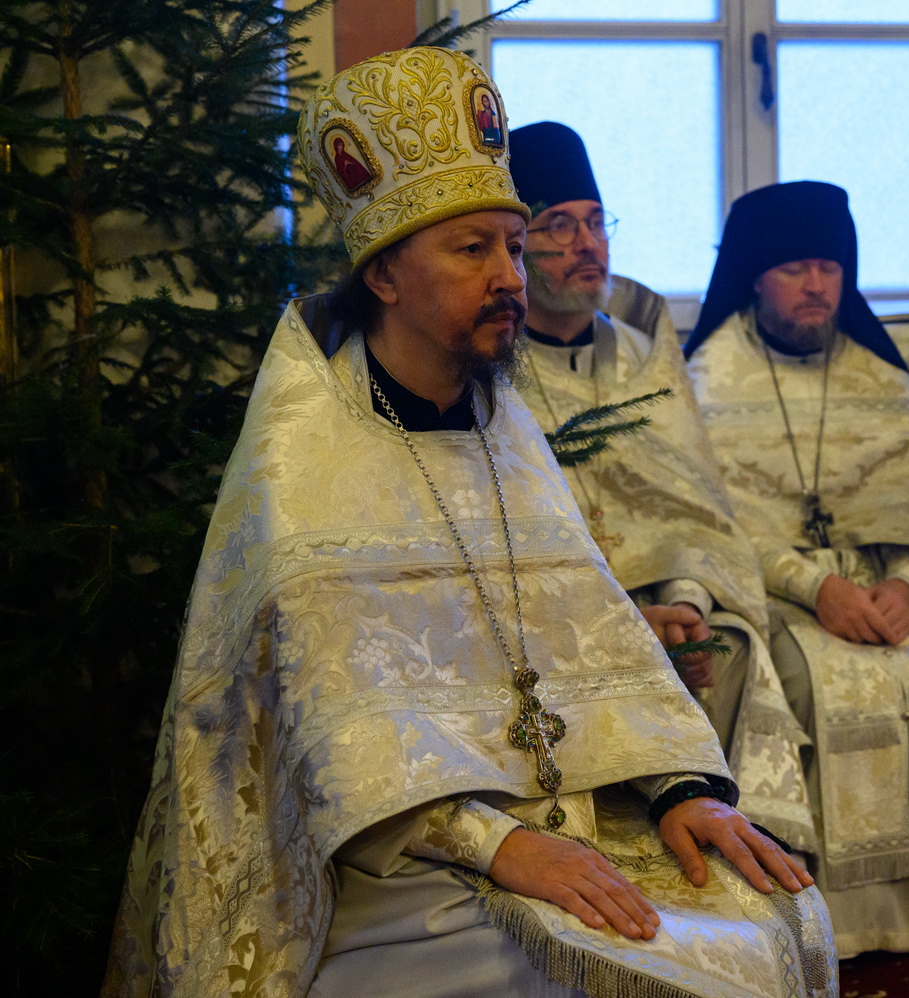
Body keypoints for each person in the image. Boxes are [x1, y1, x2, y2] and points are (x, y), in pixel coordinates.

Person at [102, 48, 835, 998]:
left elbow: (590, 634)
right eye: (472, 250)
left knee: (778, 916)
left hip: (565, 809)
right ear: (385, 275)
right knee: (595, 962)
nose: (511, 277)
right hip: (392, 857)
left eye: (515, 248)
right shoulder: (309, 459)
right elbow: (329, 740)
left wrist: (678, 788)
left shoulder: (505, 430)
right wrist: (496, 844)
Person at [685, 180, 909, 958]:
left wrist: (907, 582)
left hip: (884, 580)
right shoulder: (708, 376)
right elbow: (711, 517)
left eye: (829, 268)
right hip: (773, 587)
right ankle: (838, 922)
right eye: (795, 269)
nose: (817, 286)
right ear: (754, 277)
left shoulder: (880, 374)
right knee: (807, 678)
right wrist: (818, 588)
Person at [507, 121, 814, 851]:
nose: (588, 244)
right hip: (561, 626)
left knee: (733, 648)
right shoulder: (493, 367)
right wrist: (622, 623)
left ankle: (752, 873)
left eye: (595, 223)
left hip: (667, 604)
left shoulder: (646, 356)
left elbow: (699, 515)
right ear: (517, 248)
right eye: (559, 227)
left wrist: (689, 602)